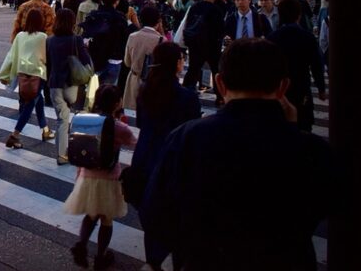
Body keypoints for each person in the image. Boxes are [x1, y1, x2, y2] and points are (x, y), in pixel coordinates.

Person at [143, 38, 334, 271]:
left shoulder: (188, 138)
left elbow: (156, 212)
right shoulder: (312, 151)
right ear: (283, 86)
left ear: (220, 84)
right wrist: (291, 131)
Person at [132, 42, 201, 271]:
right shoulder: (187, 97)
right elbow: (191, 131)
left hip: (145, 156)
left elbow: (141, 123)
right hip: (174, 158)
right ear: (175, 63)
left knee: (151, 212)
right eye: (181, 59)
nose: (183, 63)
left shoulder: (145, 90)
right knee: (177, 216)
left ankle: (153, 260)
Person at [65, 84, 137, 270]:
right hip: (109, 179)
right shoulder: (119, 127)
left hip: (87, 177)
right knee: (106, 219)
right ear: (116, 103)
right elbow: (135, 144)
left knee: (91, 214)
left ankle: (81, 245)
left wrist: (78, 175)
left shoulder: (87, 122)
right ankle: (100, 257)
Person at [268, 0, 326, 132]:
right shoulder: (307, 37)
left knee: (280, 126)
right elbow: (316, 64)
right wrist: (321, 87)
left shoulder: (273, 37)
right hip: (301, 85)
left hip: (279, 88)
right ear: (299, 15)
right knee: (303, 124)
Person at [0, 8, 55, 149]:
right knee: (31, 104)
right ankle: (15, 135)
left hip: (23, 73)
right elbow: (47, 57)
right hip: (38, 74)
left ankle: (46, 130)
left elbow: (11, 55)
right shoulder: (43, 37)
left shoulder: (20, 36)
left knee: (37, 100)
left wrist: (4, 74)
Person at [46, 9, 92, 165]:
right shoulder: (76, 40)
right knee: (81, 112)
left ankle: (61, 155)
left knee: (61, 120)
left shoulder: (49, 40)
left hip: (54, 83)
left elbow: (48, 64)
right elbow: (86, 61)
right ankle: (81, 148)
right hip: (71, 84)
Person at [181, 0, 225, 103]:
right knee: (216, 70)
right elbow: (220, 29)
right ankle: (220, 96)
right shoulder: (215, 9)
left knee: (193, 69)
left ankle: (185, 94)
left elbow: (188, 25)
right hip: (212, 45)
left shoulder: (195, 7)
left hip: (195, 44)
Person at [122, 6, 165, 112]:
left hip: (134, 79)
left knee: (132, 113)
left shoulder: (132, 36)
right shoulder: (161, 40)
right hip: (154, 83)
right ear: (158, 21)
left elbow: (127, 62)